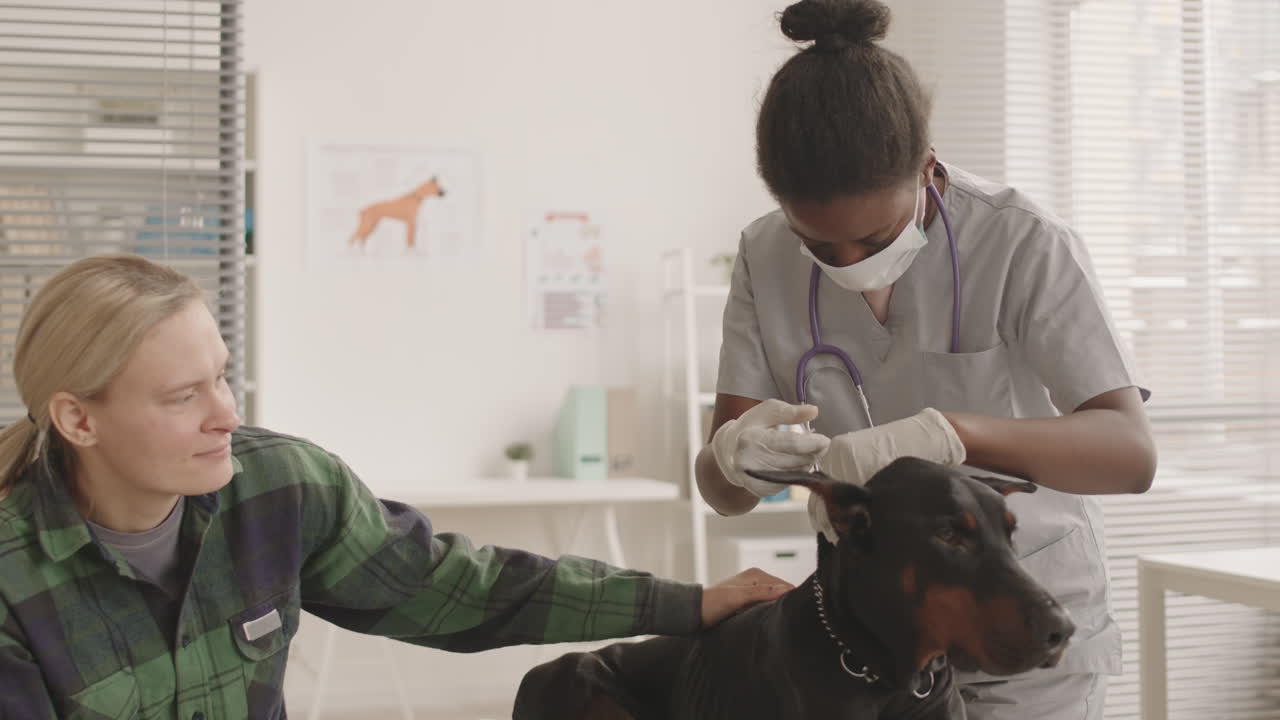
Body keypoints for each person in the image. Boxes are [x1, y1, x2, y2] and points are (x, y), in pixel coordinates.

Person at [0, 255, 791, 719]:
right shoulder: (12, 570)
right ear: (78, 419)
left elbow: (461, 589)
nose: (227, 415)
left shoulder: (277, 487)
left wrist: (686, 604)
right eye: (182, 397)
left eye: (222, 380)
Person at [694, 1, 1156, 718]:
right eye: (818, 244)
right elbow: (728, 495)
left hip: (1021, 633)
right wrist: (730, 459)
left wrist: (951, 433)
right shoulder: (763, 254)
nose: (850, 263)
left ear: (928, 168)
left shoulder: (1021, 241)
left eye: (876, 236)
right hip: (863, 654)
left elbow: (1130, 454)